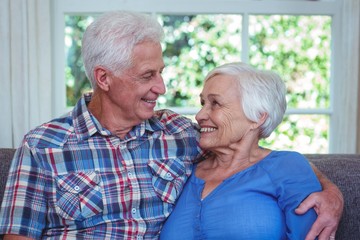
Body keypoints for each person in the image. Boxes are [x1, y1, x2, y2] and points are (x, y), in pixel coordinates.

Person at [0, 11, 342, 240]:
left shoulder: (177, 135)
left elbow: (256, 158)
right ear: (103, 78)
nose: (162, 88)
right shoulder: (43, 146)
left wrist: (331, 191)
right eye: (148, 76)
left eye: (161, 72)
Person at [159, 62, 337, 240]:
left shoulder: (286, 167)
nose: (199, 115)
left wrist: (333, 191)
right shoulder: (183, 169)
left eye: (215, 103)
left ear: (258, 117)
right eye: (203, 103)